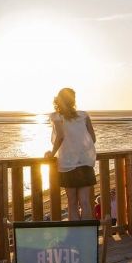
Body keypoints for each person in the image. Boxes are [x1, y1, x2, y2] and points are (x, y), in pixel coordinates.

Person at [46, 87, 97, 221]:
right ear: (73, 100)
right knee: (85, 202)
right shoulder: (84, 115)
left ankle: (76, 236)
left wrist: (52, 153)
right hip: (85, 162)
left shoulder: (57, 116)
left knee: (72, 203)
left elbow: (60, 136)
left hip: (68, 164)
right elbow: (93, 139)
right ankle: (87, 237)